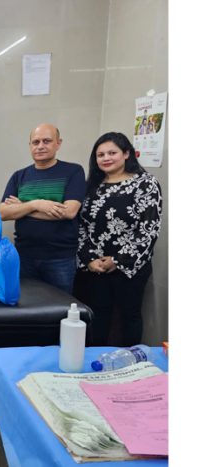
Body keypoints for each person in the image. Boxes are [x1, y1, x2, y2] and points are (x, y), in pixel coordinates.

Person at [74, 132, 162, 346]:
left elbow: (148, 229)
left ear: (126, 154)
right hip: (94, 267)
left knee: (128, 317)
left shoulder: (146, 184)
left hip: (129, 266)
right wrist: (89, 259)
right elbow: (81, 226)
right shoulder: (90, 185)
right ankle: (95, 366)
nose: (106, 158)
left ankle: (130, 366)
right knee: (96, 317)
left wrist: (118, 260)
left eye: (112, 153)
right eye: (100, 154)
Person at [0, 124, 86, 294]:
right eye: (35, 142)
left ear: (58, 144)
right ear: (30, 145)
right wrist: (36, 204)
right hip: (24, 255)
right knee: (27, 307)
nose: (40, 146)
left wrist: (22, 208)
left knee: (60, 308)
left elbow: (68, 212)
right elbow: (4, 213)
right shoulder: (19, 175)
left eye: (46, 141)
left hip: (60, 258)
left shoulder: (73, 171)